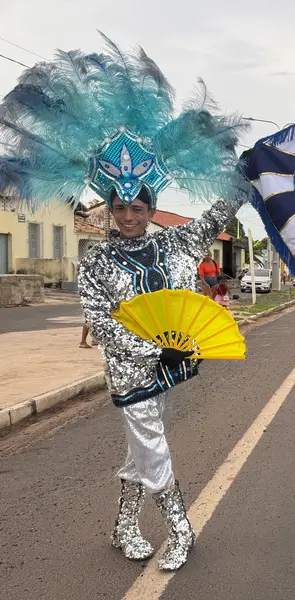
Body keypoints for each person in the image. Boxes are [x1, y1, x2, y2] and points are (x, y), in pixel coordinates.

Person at [0, 38, 251, 572]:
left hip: (171, 367)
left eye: (139, 207)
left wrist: (247, 175)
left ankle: (123, 525)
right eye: (121, 208)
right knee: (154, 447)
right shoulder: (95, 262)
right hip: (131, 370)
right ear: (110, 209)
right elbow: (102, 323)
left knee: (143, 448)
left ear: (151, 207)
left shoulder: (176, 243)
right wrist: (154, 348)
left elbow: (218, 214)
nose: (130, 216)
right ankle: (181, 530)